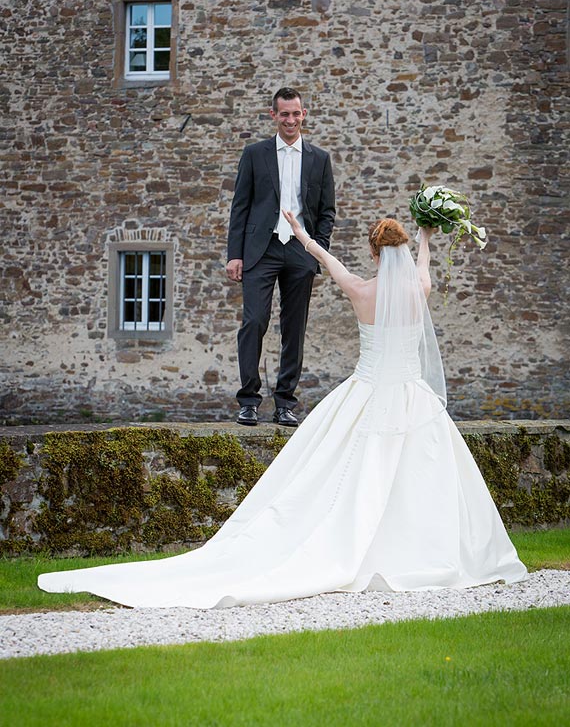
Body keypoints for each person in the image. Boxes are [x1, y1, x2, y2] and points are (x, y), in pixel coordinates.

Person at [38, 215, 527, 608]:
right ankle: (421, 551)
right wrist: (425, 234)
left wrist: (304, 237)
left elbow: (327, 262)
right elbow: (423, 271)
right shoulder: (417, 291)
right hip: (411, 398)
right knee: (422, 476)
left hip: (366, 393)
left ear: (376, 255)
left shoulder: (361, 291)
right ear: (401, 252)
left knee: (346, 473)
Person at [226, 86, 336, 427]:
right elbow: (240, 207)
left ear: (305, 115)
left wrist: (317, 248)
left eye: (296, 113)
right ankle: (248, 401)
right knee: (254, 321)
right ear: (273, 115)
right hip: (262, 248)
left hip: (301, 250)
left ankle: (285, 403)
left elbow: (327, 210)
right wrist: (235, 255)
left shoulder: (320, 158)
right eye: (284, 113)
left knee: (294, 328)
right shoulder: (255, 154)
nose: (291, 119)